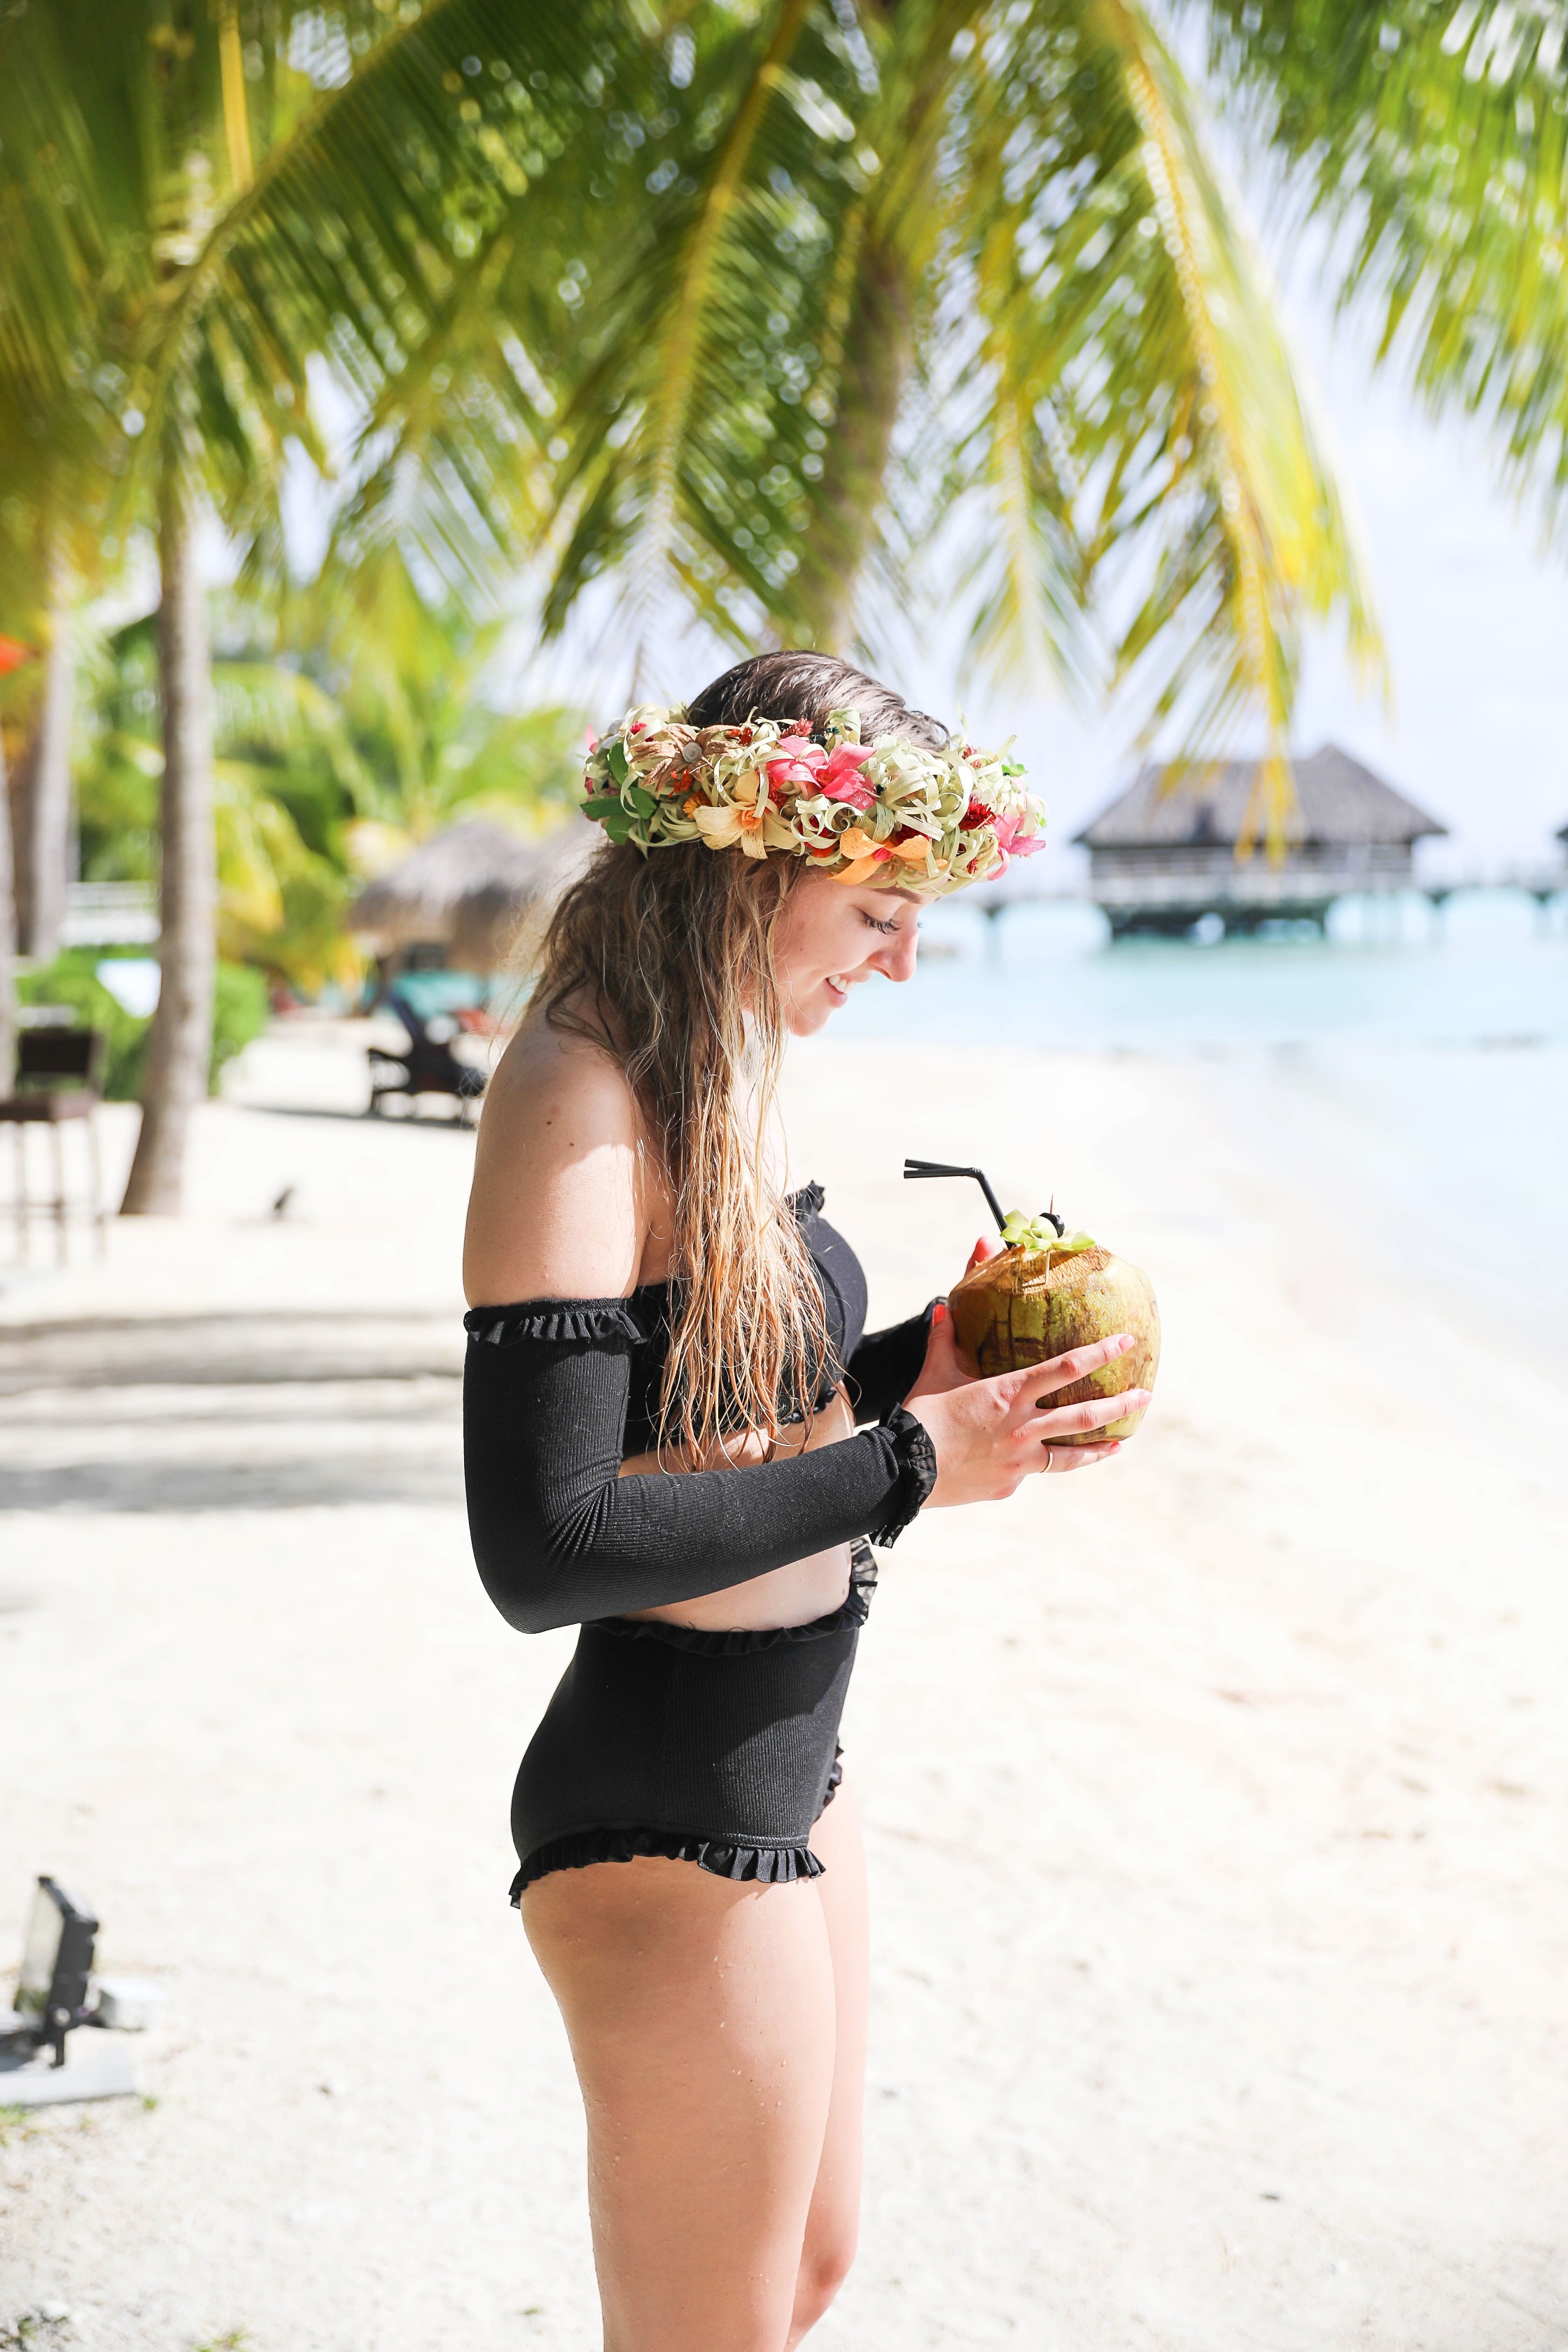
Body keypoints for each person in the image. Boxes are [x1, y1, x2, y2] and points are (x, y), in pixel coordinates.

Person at [462, 651, 1150, 2352]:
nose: (904, 959)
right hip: (667, 1801)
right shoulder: (579, 1092)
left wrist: (939, 1361)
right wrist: (920, 1465)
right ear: (756, 862)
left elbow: (734, 1424)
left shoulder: (695, 1071)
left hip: (790, 1764)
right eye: (879, 910)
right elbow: (548, 1543)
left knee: (810, 2273)